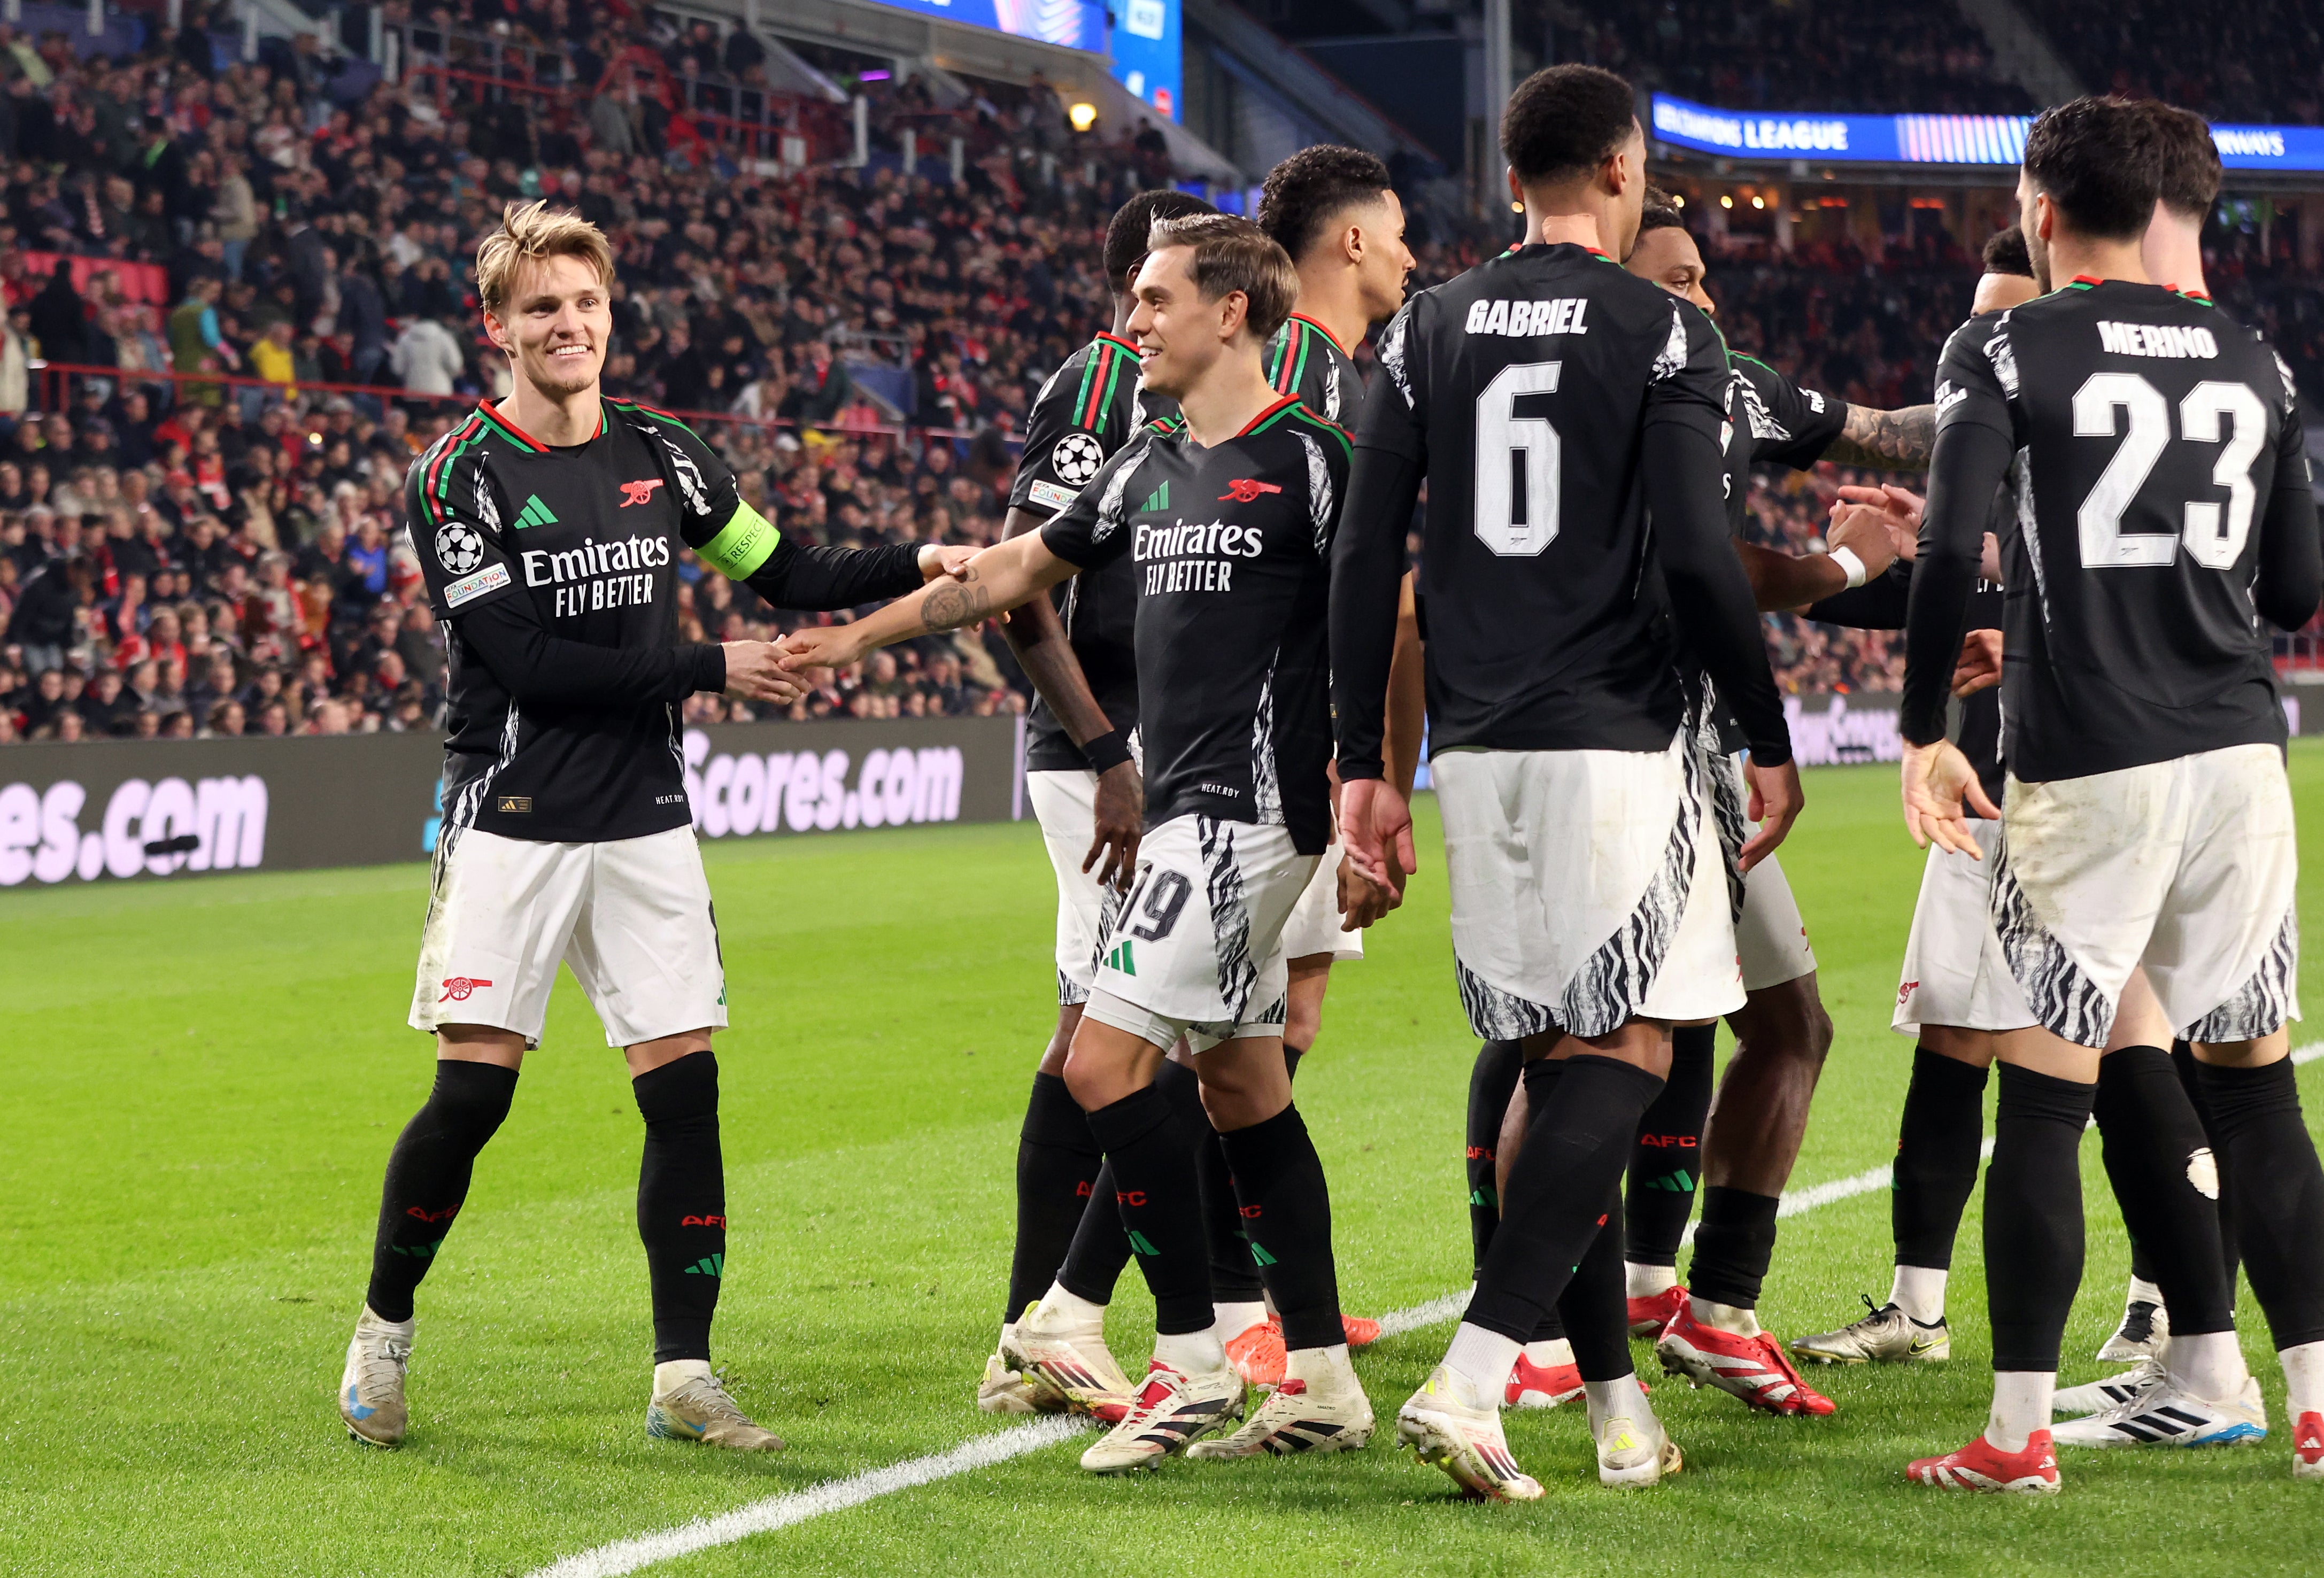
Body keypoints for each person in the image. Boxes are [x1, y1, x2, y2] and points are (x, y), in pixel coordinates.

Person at [336, 200, 972, 1453]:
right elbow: (521, 661)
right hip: (513, 814)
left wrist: (923, 557)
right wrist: (710, 667)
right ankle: (380, 1335)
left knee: (684, 1098)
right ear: (497, 329)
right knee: (472, 1100)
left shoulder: (665, 456)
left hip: (642, 815)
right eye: (540, 310)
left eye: (584, 305)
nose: (566, 326)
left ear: (608, 318)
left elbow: (785, 570)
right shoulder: (459, 475)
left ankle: (684, 1376)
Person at [783, 213, 1380, 1471]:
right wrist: (854, 638)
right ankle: (1319, 1379)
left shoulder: (1316, 460)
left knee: (1107, 1068)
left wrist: (1376, 780)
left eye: (1157, 297)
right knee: (1240, 1085)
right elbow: (1008, 572)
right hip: (1183, 805)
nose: (1134, 317)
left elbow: (1391, 620)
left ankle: (1192, 1365)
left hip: (1252, 814)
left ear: (1232, 312)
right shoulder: (1148, 460)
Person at [1332, 65, 1799, 1498]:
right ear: (1619, 168)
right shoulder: (1663, 328)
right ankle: (1476, 1375)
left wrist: (1366, 763)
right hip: (1615, 734)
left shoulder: (1422, 327)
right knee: (1628, 1053)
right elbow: (1694, 554)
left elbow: (1365, 558)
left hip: (1476, 744)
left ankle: (1610, 1407)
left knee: (1553, 1061)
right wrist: (1765, 731)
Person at [1898, 96, 2323, 1492]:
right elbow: (2298, 590)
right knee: (2256, 1095)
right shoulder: (2250, 353)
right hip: (2237, 754)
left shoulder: (2006, 341)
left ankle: (2014, 1434)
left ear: (2038, 202)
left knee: (2043, 1092)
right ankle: (2312, 1404)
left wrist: (1922, 730)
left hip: (2092, 760)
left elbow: (1954, 548)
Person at [975, 187, 1216, 1422]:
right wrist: (1105, 747)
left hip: (1167, 750)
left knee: (1134, 1028)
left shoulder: (1207, 391)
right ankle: (1037, 1327)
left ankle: (1074, 1322)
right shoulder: (1090, 384)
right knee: (1107, 1035)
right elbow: (1019, 591)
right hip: (1101, 760)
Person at [1790, 227, 2039, 1368]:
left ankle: (2162, 1311)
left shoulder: (2081, 504)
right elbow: (1862, 609)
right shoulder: (1980, 498)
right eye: (1974, 321)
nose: (1985, 344)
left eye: (2008, 320)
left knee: (2134, 1057)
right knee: (1951, 1039)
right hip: (1978, 816)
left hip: (2092, 792)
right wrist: (1875, 557)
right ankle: (1917, 1311)